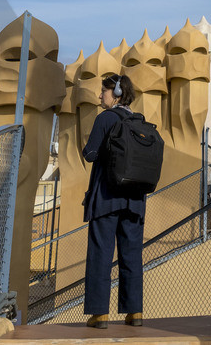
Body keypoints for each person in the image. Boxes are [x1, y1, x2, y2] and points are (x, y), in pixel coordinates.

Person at [82, 73, 146, 328]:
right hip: (135, 201)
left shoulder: (105, 118)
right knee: (131, 256)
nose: (100, 95)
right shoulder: (139, 122)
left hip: (107, 198)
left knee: (100, 254)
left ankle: (100, 314)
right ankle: (135, 312)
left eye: (104, 91)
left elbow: (90, 154)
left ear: (116, 93)